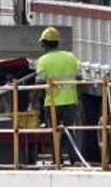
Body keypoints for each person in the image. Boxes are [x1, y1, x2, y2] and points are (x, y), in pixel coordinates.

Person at [30, 27, 82, 164]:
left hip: (52, 103)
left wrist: (32, 103)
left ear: (45, 43)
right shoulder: (71, 57)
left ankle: (57, 160)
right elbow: (80, 79)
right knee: (70, 131)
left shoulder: (43, 60)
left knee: (55, 133)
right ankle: (74, 159)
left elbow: (39, 85)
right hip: (70, 101)